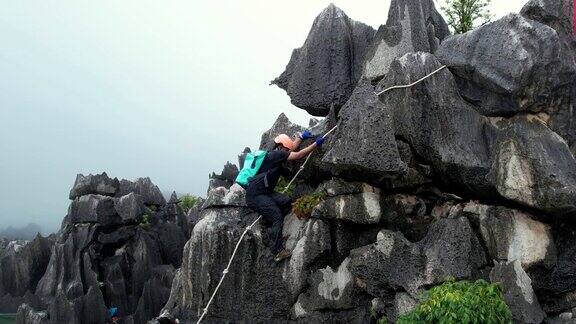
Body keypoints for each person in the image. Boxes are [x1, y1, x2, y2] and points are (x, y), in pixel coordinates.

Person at [245, 130, 325, 262]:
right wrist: (315, 144)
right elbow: (297, 154)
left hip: (265, 193)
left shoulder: (273, 156)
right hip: (255, 196)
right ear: (281, 147)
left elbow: (291, 149)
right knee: (277, 216)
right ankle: (277, 250)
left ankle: (276, 231)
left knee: (287, 201)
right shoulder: (275, 155)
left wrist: (300, 138)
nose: (287, 151)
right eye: (286, 149)